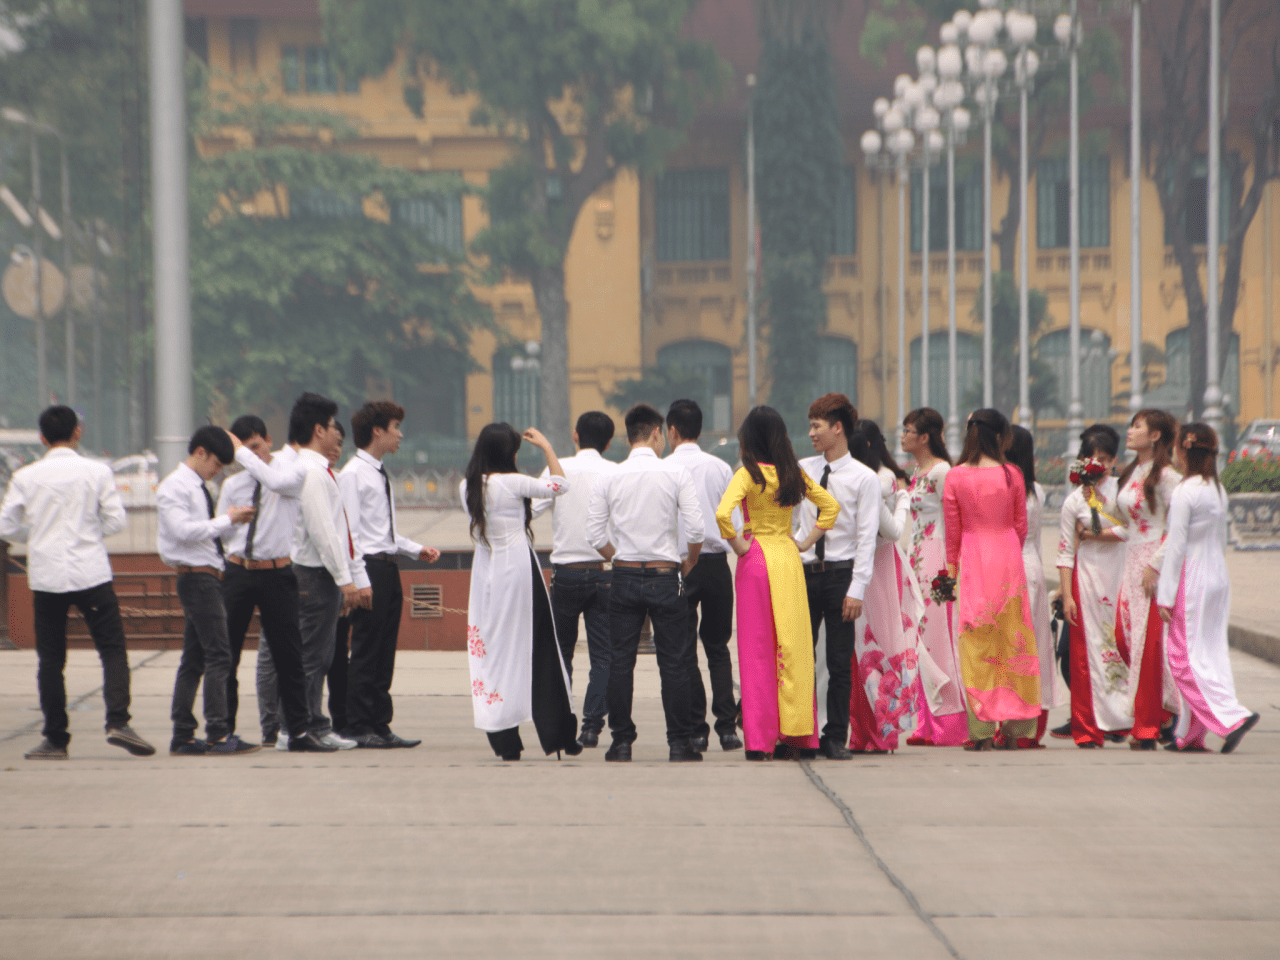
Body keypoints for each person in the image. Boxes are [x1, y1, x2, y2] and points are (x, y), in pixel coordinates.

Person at [1, 405, 155, 760]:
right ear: (78, 432)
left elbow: (5, 526)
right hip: (91, 574)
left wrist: (37, 534)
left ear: (42, 438)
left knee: (51, 660)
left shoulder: (26, 476)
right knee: (112, 650)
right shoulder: (97, 471)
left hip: (47, 576)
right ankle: (118, 721)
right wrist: (87, 533)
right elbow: (116, 522)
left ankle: (56, 739)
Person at [717, 405, 838, 761]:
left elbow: (724, 513)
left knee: (757, 651)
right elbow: (829, 507)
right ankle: (797, 737)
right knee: (794, 648)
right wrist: (806, 542)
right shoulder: (791, 473)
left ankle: (759, 740)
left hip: (756, 560)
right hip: (787, 557)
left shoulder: (747, 474)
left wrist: (738, 543)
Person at [586, 403, 706, 763]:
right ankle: (678, 742)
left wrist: (618, 556)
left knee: (620, 662)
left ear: (627, 436)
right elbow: (697, 528)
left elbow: (594, 534)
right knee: (674, 663)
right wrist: (691, 561)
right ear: (657, 433)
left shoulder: (609, 477)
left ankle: (621, 742)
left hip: (623, 575)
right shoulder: (674, 474)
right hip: (665, 576)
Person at [463, 424, 581, 760]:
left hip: (486, 574)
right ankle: (559, 734)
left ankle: (504, 740)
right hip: (517, 571)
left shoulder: (467, 487)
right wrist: (545, 446)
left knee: (493, 652)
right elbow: (561, 484)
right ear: (508, 454)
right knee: (541, 648)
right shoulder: (513, 483)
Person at [217, 415, 334, 753]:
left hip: (278, 573)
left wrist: (245, 455)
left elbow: (274, 478)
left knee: (289, 655)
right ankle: (225, 730)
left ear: (268, 440)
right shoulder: (233, 486)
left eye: (256, 447)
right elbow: (222, 532)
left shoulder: (288, 473)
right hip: (239, 570)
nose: (253, 455)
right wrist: (232, 518)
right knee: (228, 655)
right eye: (246, 450)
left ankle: (297, 731)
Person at [339, 401, 440, 749]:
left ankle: (380, 723)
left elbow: (382, 530)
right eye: (395, 426)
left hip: (387, 565)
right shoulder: (352, 473)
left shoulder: (378, 472)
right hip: (368, 568)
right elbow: (349, 533)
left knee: (384, 650)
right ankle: (358, 724)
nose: (400, 434)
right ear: (376, 431)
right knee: (367, 649)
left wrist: (415, 549)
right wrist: (358, 580)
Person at [942, 409, 1041, 750]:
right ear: (999, 437)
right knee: (1013, 640)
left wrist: (950, 574)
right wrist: (1010, 553)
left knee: (975, 641)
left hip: (972, 557)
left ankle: (981, 731)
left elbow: (952, 533)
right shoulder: (1011, 473)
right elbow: (1021, 527)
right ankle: (1015, 729)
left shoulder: (955, 476)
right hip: (1008, 557)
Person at [1157, 424, 1259, 754]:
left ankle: (1231, 718)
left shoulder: (1185, 491)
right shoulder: (1217, 489)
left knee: (1182, 658)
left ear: (1184, 451)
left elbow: (1175, 546)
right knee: (1209, 655)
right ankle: (1189, 735)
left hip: (1193, 579)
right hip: (1217, 576)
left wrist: (1165, 594)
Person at [158, 425, 259, 756]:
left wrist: (230, 523)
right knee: (219, 654)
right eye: (215, 464)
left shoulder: (198, 487)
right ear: (199, 452)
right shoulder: (176, 486)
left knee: (196, 657)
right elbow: (182, 531)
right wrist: (226, 519)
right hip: (197, 578)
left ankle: (184, 734)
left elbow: (203, 534)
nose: (216, 472)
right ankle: (217, 732)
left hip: (206, 576)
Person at [794, 394, 881, 760]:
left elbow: (867, 537)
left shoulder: (864, 479)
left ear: (837, 428)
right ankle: (802, 733)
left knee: (838, 658)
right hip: (804, 573)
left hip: (841, 575)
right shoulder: (802, 470)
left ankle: (834, 737)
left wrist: (857, 589)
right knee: (800, 657)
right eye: (811, 425)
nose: (811, 433)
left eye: (817, 426)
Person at [530, 411, 619, 749]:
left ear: (575, 435)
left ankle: (562, 723)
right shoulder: (615, 472)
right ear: (609, 442)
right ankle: (592, 726)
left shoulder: (558, 469)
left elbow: (531, 509)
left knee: (561, 653)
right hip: (604, 574)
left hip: (565, 574)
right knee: (603, 657)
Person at [288, 392, 371, 751]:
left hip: (318, 574)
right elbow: (325, 532)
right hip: (314, 575)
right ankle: (300, 727)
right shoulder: (313, 474)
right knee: (311, 656)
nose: (339, 435)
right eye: (334, 427)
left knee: (318, 655)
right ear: (319, 430)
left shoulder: (317, 471)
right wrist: (346, 580)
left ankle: (314, 724)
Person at [665, 399, 742, 753]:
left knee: (684, 652)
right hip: (715, 565)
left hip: (678, 565)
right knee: (718, 648)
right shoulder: (720, 468)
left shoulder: (663, 469)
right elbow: (734, 523)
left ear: (671, 431)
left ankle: (697, 728)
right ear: (700, 429)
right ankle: (728, 728)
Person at [848, 420, 922, 753]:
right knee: (859, 650)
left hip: (876, 566)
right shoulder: (866, 477)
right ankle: (864, 731)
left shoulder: (880, 480)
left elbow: (890, 530)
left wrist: (904, 501)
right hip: (866, 564)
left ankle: (881, 731)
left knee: (878, 647)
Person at [1109, 409, 1182, 749]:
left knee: (1145, 645)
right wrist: (1097, 532)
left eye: (1137, 426)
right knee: (1124, 636)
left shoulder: (1168, 477)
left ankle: (1147, 727)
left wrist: (1156, 565)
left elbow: (1176, 529)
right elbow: (1130, 524)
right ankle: (1168, 710)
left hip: (1154, 563)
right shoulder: (1132, 472)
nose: (1130, 431)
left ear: (1155, 436)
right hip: (1131, 560)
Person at [1056, 425, 1129, 748]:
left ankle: (1124, 719)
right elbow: (1064, 551)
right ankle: (1088, 727)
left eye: (1102, 458)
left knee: (1120, 648)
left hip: (1121, 576)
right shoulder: (1073, 501)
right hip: (1087, 579)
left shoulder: (1124, 492)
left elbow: (1133, 531)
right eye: (1089, 458)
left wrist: (1093, 534)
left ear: (1114, 460)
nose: (1095, 464)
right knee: (1087, 655)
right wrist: (1067, 595)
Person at [900, 407, 967, 746]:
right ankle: (925, 721)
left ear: (924, 437)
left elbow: (955, 520)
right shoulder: (917, 470)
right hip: (917, 553)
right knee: (920, 636)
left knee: (939, 635)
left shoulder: (943, 472)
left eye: (908, 430)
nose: (902, 436)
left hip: (937, 557)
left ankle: (949, 722)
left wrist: (952, 568)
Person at [1007, 425, 1066, 746]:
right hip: (1032, 567)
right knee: (1033, 646)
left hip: (1012, 568)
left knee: (1015, 646)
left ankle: (1015, 721)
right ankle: (1030, 723)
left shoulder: (1009, 488)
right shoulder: (1036, 489)